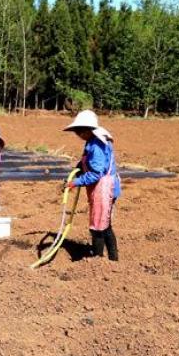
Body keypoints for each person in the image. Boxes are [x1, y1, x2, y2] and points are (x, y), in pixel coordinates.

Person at [63, 110, 121, 261]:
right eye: (77, 132)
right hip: (101, 188)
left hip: (104, 188)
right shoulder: (91, 142)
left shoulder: (97, 145)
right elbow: (87, 163)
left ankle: (99, 259)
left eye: (80, 131)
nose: (78, 134)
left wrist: (75, 182)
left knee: (99, 227)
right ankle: (110, 259)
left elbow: (96, 174)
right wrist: (79, 168)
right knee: (104, 225)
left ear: (89, 129)